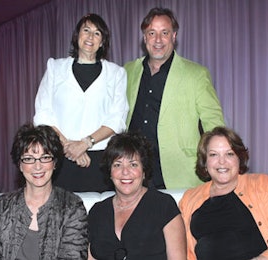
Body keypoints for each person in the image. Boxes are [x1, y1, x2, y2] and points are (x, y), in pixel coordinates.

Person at [124, 7, 225, 190]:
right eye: (152, 33)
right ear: (144, 37)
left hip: (179, 172)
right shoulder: (128, 71)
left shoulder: (196, 74)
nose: (158, 40)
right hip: (133, 174)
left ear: (174, 36)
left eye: (165, 33)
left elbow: (214, 123)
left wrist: (218, 163)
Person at [179, 126, 268, 260]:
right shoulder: (189, 199)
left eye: (229, 154)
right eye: (213, 155)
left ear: (239, 159)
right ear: (205, 162)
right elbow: (180, 250)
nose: (222, 161)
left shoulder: (262, 185)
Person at [34, 13, 129, 192]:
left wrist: (85, 143)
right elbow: (42, 114)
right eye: (86, 30)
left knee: (99, 214)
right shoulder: (55, 68)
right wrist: (69, 147)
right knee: (62, 213)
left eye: (97, 33)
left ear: (102, 42)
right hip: (61, 155)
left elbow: (117, 119)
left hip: (100, 159)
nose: (90, 36)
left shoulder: (116, 73)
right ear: (77, 36)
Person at [0, 123, 88, 259]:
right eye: (29, 159)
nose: (38, 166)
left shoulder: (71, 207)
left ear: (55, 163)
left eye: (45, 157)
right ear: (20, 165)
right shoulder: (0, 207)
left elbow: (73, 257)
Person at [87, 132, 186, 260]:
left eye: (133, 164)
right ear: (110, 172)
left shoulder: (164, 205)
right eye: (117, 165)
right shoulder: (97, 212)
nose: (125, 172)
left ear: (144, 171)